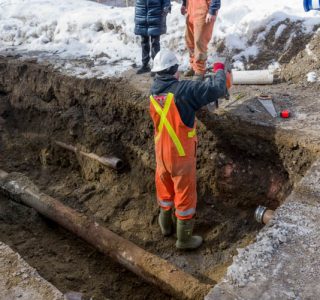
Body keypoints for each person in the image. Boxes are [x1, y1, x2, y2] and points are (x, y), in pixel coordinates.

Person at [149, 49, 227, 250]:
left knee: (165, 191)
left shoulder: (153, 90)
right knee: (184, 195)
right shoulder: (184, 91)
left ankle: (165, 226)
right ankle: (183, 239)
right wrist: (219, 69)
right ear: (175, 70)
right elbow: (217, 89)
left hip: (161, 153)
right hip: (180, 156)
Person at [181, 0, 221, 80]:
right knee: (189, 40)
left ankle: (200, 70)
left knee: (199, 41)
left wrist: (212, 10)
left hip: (204, 9)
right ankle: (194, 66)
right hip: (191, 8)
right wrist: (184, 4)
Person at [134, 0, 171, 75]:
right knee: (144, 41)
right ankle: (145, 65)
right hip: (142, 15)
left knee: (155, 43)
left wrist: (166, 7)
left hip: (155, 15)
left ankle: (156, 66)